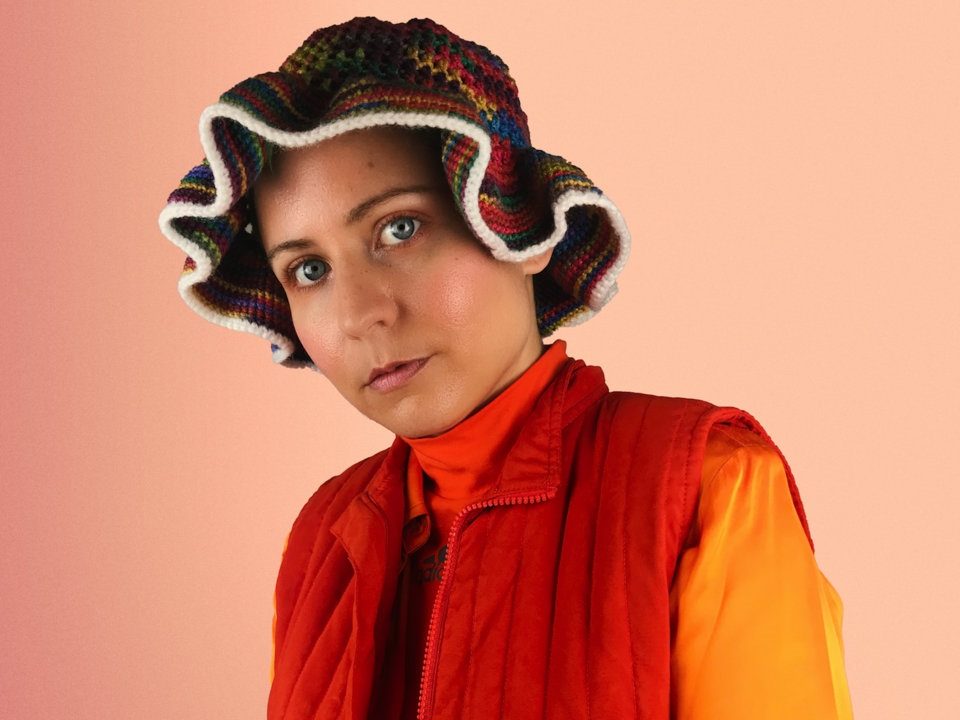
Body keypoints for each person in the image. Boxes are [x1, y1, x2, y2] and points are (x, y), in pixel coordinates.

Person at [158, 16, 853, 720]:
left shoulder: (702, 488)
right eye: (308, 270)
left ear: (522, 228)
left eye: (399, 228)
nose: (359, 313)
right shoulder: (321, 545)